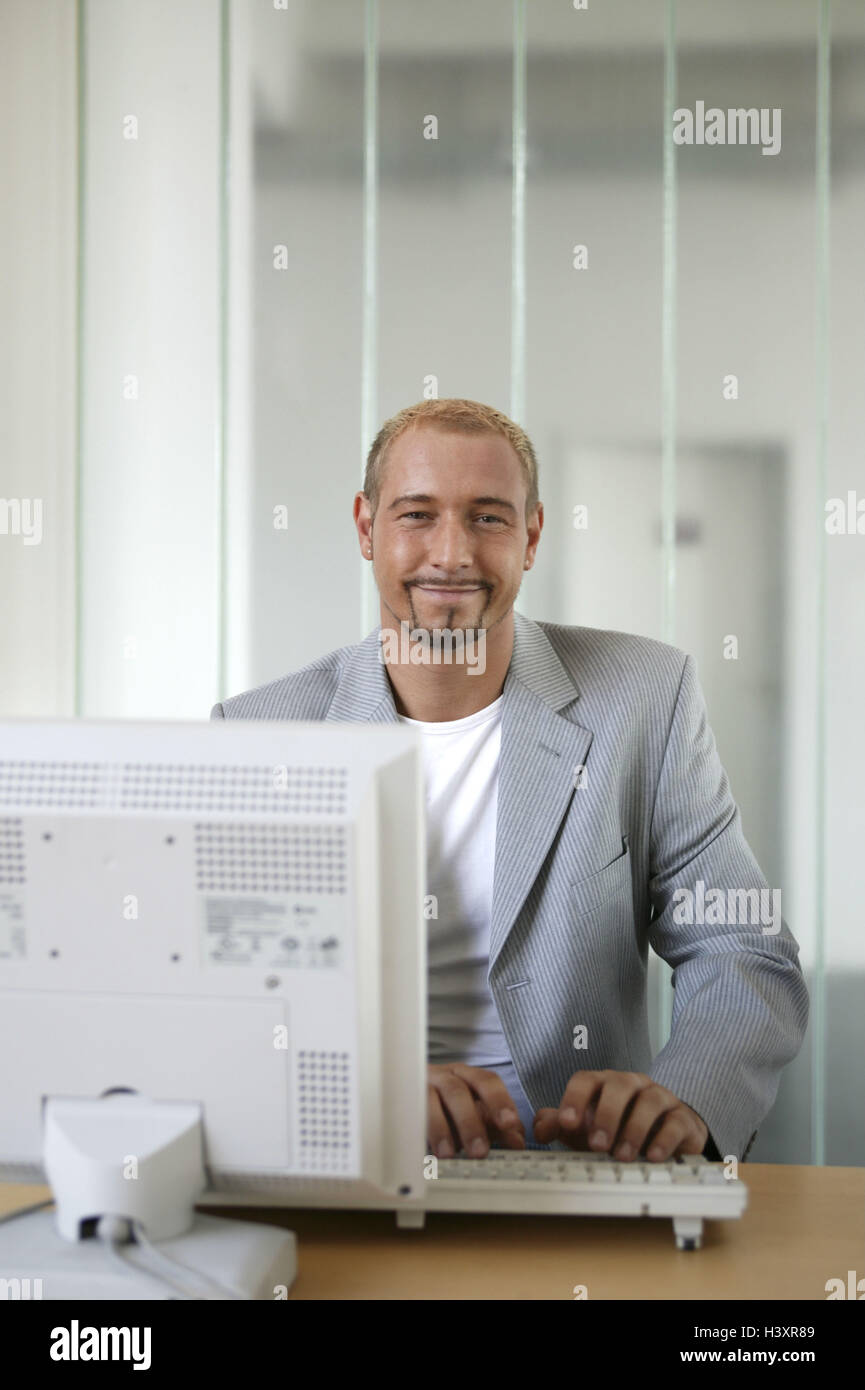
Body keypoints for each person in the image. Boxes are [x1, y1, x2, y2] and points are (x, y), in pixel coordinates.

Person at [211, 397, 808, 1166]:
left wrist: (685, 1100)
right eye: (417, 515)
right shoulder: (260, 733)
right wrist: (368, 1087)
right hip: (355, 1157)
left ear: (530, 537)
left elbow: (740, 942)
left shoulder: (643, 697)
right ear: (366, 529)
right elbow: (232, 1000)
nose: (451, 553)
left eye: (488, 518)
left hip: (589, 1164)